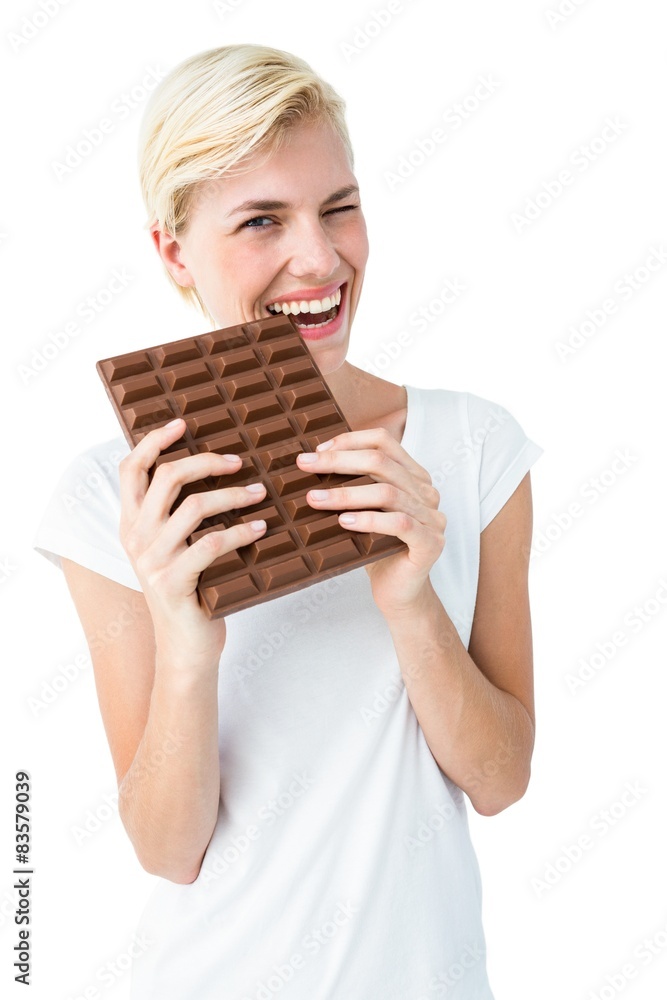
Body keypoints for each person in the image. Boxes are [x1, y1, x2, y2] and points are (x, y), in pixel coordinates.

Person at [33, 44, 543, 999]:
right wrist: (186, 641)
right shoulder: (112, 497)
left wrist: (409, 596)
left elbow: (500, 780)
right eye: (261, 220)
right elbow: (165, 848)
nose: (319, 257)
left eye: (338, 207)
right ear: (173, 250)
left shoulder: (473, 447)